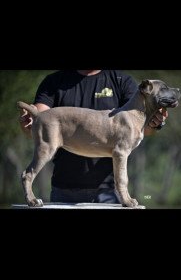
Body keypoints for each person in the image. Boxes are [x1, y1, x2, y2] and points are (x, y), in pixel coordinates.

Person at [19, 69, 168, 204]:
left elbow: (143, 126)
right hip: (64, 189)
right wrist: (30, 121)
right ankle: (28, 184)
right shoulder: (54, 81)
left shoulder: (120, 80)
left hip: (108, 192)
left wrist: (155, 122)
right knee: (46, 149)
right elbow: (41, 117)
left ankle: (123, 193)